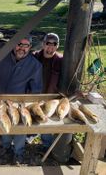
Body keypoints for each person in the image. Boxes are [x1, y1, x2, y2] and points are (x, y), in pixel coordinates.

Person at [0, 35, 43, 164]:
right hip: (1, 98)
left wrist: (27, 103)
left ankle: (18, 151)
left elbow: (36, 88)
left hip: (19, 103)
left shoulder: (35, 65)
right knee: (4, 122)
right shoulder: (1, 57)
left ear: (30, 48)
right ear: (13, 45)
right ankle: (5, 145)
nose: (22, 48)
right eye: (19, 44)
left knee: (20, 127)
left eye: (26, 46)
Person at [34, 33, 72, 162]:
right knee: (33, 117)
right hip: (34, 95)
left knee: (47, 122)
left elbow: (70, 76)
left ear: (57, 46)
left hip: (51, 97)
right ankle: (30, 135)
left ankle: (46, 145)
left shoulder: (61, 61)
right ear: (43, 44)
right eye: (47, 44)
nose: (50, 47)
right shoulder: (35, 57)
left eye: (54, 44)